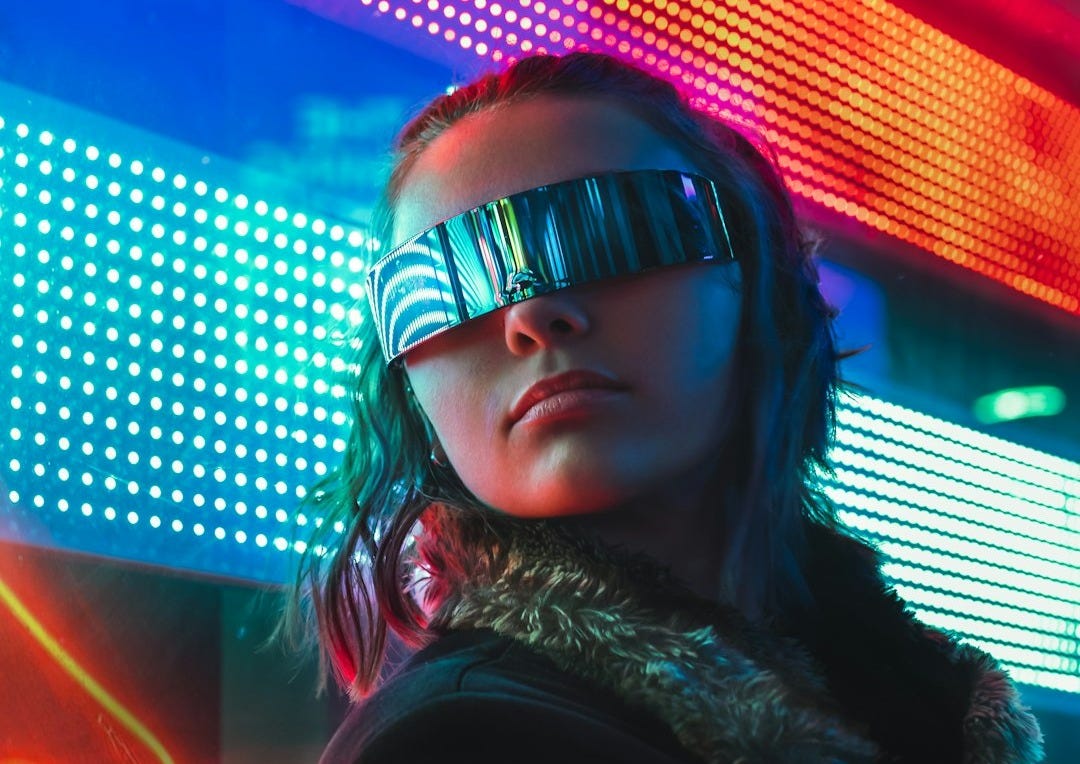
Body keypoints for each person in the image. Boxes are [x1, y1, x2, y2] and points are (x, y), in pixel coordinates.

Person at [284, 52, 1044, 763]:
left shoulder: (922, 702)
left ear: (760, 286)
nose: (533, 313)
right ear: (406, 389)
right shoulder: (450, 740)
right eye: (442, 289)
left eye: (614, 230)